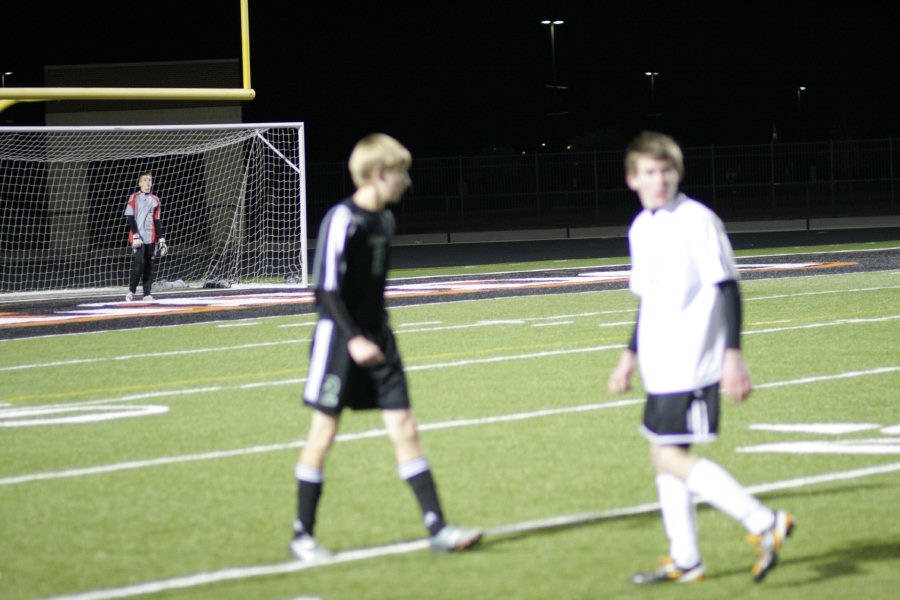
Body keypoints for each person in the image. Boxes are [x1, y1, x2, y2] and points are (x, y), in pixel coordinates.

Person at [608, 132, 794, 584]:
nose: (659, 180)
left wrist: (733, 355)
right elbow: (646, 300)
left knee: (669, 456)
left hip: (693, 362)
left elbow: (727, 287)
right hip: (660, 364)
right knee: (663, 453)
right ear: (633, 179)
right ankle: (687, 559)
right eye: (650, 172)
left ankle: (764, 522)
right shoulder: (641, 227)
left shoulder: (698, 220)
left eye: (667, 170)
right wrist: (628, 356)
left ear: (679, 173)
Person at [289, 133, 482, 561]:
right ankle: (302, 535)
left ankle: (438, 527)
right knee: (324, 433)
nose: (407, 182)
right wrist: (354, 338)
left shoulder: (386, 222)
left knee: (406, 428)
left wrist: (376, 335)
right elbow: (325, 291)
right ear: (380, 174)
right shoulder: (344, 219)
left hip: (380, 341)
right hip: (339, 342)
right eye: (401, 173)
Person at [124, 172, 167, 301]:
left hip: (151, 237)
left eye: (150, 180)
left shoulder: (156, 199)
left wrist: (161, 238)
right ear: (140, 183)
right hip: (138, 238)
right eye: (145, 180)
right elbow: (130, 217)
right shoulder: (134, 197)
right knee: (139, 263)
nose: (148, 182)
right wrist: (135, 234)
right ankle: (131, 291)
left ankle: (147, 293)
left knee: (149, 265)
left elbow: (157, 220)